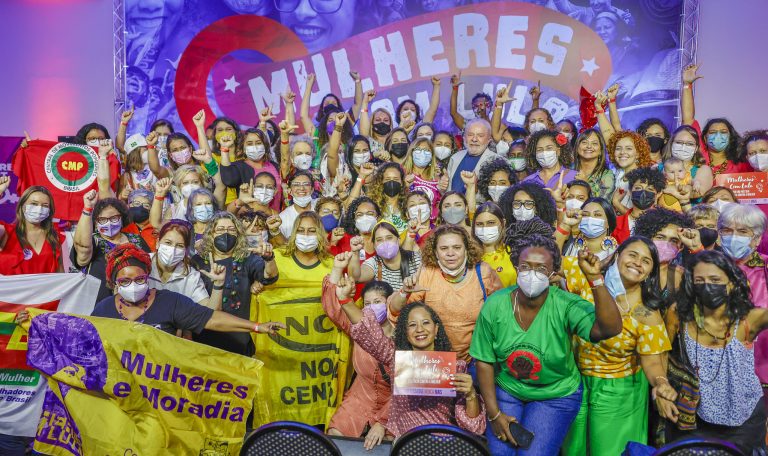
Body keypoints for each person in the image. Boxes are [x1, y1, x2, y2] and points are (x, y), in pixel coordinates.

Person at [470, 235, 622, 454]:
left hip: (555, 394)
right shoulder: (495, 305)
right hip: (508, 389)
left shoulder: (566, 305)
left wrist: (595, 278)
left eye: (541, 269)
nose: (532, 274)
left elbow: (609, 329)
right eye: (525, 267)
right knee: (500, 453)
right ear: (516, 267)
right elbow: (484, 360)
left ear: (552, 274)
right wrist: (494, 415)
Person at [333, 274, 486, 437]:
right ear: (405, 333)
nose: (420, 329)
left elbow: (473, 428)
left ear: (436, 330)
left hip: (442, 444)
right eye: (412, 325)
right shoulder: (397, 360)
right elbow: (368, 332)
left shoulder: (457, 367)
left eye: (425, 323)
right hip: (405, 443)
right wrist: (344, 300)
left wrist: (470, 394)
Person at [562, 237, 676, 455]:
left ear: (650, 272)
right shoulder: (588, 280)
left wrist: (661, 384)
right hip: (574, 384)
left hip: (618, 392)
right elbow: (548, 260)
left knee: (610, 450)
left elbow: (652, 362)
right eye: (632, 255)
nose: (637, 263)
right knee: (572, 450)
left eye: (646, 261)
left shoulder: (646, 313)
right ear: (617, 255)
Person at [660, 251, 768, 453]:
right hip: (694, 415)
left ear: (731, 284)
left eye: (715, 279)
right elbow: (663, 353)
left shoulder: (749, 319)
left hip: (745, 415)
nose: (707, 286)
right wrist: (662, 388)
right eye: (699, 280)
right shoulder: (679, 314)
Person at [78, 243, 284, 336]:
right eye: (124, 282)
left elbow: (212, 319)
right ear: (114, 283)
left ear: (148, 277)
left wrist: (258, 327)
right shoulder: (103, 311)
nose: (133, 285)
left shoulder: (169, 302)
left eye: (139, 279)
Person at [388, 224, 503, 363]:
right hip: (435, 360)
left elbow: (501, 314)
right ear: (435, 252)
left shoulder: (483, 272)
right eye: (443, 248)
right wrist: (403, 292)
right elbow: (397, 312)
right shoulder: (427, 274)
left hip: (477, 359)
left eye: (457, 247)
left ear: (467, 249)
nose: (450, 253)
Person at [322, 270, 394, 448]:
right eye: (367, 303)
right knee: (335, 435)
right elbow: (334, 309)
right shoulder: (358, 328)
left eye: (377, 302)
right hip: (361, 397)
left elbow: (409, 389)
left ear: (390, 303)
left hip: (396, 401)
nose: (371, 307)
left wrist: (382, 423)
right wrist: (338, 268)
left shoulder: (405, 334)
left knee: (388, 443)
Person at [191, 212, 278, 355]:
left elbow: (269, 276)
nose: (226, 234)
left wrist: (269, 258)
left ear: (238, 235)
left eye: (231, 230)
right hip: (203, 341)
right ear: (210, 234)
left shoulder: (247, 258)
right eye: (220, 230)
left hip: (239, 341)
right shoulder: (197, 261)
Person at [717, 204, 768, 395]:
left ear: (756, 239)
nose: (734, 236)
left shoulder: (765, 266)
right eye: (727, 230)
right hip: (719, 362)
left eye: (742, 231)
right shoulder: (709, 266)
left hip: (761, 365)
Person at [72, 191, 151, 302]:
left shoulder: (136, 239)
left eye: (114, 218)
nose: (109, 223)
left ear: (122, 218)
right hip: (98, 303)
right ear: (96, 222)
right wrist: (88, 209)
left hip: (136, 302)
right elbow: (82, 247)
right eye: (103, 220)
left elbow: (148, 268)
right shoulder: (93, 241)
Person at [150, 220, 219, 310]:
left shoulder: (192, 276)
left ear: (186, 251)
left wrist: (218, 284)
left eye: (179, 245)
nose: (172, 250)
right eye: (168, 243)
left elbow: (208, 311)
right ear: (157, 243)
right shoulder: (142, 264)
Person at [0, 183, 64, 275]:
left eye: (45, 205)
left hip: (46, 289)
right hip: (12, 289)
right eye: (34, 204)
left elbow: (60, 274)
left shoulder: (54, 237)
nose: (39, 209)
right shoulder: (7, 233)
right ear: (22, 206)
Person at [220, 128, 283, 212]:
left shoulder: (274, 166)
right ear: (243, 147)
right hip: (249, 218)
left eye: (258, 143)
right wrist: (224, 149)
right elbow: (228, 180)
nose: (255, 147)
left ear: (265, 145)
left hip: (275, 216)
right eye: (250, 144)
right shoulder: (240, 166)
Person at [354, 221, 422, 291]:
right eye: (379, 240)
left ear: (398, 240)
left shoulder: (415, 259)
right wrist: (355, 252)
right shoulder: (374, 262)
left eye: (389, 238)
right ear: (374, 245)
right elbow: (357, 277)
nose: (385, 243)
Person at [612, 167, 666, 244]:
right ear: (630, 192)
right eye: (638, 188)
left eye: (650, 189)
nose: (643, 192)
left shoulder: (664, 222)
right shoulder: (615, 223)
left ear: (658, 194)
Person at [446, 119, 500, 194]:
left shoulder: (497, 161)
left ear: (489, 139)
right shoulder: (455, 158)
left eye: (480, 136)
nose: (474, 139)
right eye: (470, 135)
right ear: (464, 137)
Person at [607, 130, 653, 216]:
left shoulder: (644, 179)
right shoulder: (617, 174)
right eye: (618, 148)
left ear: (638, 154)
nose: (622, 152)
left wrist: (616, 203)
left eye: (629, 148)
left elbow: (641, 218)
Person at [473, 202, 517, 287]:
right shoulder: (471, 256)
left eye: (491, 223)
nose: (485, 228)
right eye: (479, 224)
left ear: (503, 223)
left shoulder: (514, 252)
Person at [573, 129, 614, 199]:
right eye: (584, 142)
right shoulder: (568, 170)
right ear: (577, 147)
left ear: (601, 151)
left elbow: (603, 202)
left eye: (594, 143)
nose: (589, 146)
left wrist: (586, 184)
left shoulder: (606, 175)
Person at [368, 162, 408, 234]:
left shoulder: (407, 205)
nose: (392, 182)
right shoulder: (373, 206)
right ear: (381, 182)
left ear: (401, 182)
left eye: (395, 179)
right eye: (387, 179)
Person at [278, 171, 317, 238]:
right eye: (296, 184)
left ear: (312, 189)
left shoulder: (321, 206)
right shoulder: (283, 218)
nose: (301, 188)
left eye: (306, 184)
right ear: (289, 191)